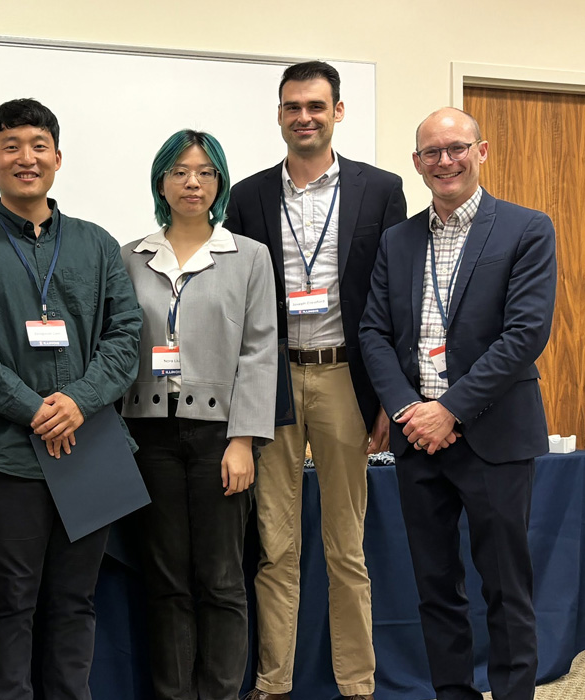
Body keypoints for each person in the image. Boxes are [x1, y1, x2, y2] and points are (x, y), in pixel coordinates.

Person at [0, 98, 141, 700]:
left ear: (57, 158)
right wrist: (33, 408)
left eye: (37, 145)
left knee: (77, 600)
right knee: (11, 600)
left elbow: (125, 335)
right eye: (11, 146)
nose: (25, 158)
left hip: (93, 444)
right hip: (5, 450)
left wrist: (78, 401)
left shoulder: (97, 245)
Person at [225, 60, 406, 700]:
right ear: (279, 114)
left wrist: (387, 395)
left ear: (337, 112)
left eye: (316, 106)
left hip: (343, 380)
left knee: (346, 547)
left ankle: (356, 684)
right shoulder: (246, 195)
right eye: (293, 106)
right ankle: (274, 684)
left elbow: (389, 300)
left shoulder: (379, 190)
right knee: (276, 546)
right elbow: (240, 305)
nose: (305, 116)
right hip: (272, 380)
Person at [360, 107, 555, 700]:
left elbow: (525, 335)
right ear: (416, 164)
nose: (445, 161)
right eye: (431, 153)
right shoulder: (398, 240)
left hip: (494, 437)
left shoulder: (526, 228)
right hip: (418, 440)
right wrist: (408, 412)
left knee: (505, 589)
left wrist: (450, 409)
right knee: (436, 589)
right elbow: (372, 332)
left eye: (456, 148)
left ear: (482, 151)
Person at [121, 129, 276, 700]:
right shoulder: (129, 256)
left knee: (221, 578)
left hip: (219, 437)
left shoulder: (249, 257)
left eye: (205, 172)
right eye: (180, 171)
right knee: (165, 581)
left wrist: (244, 442)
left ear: (220, 182)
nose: (192, 182)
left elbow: (260, 350)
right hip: (148, 433)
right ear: (161, 180)